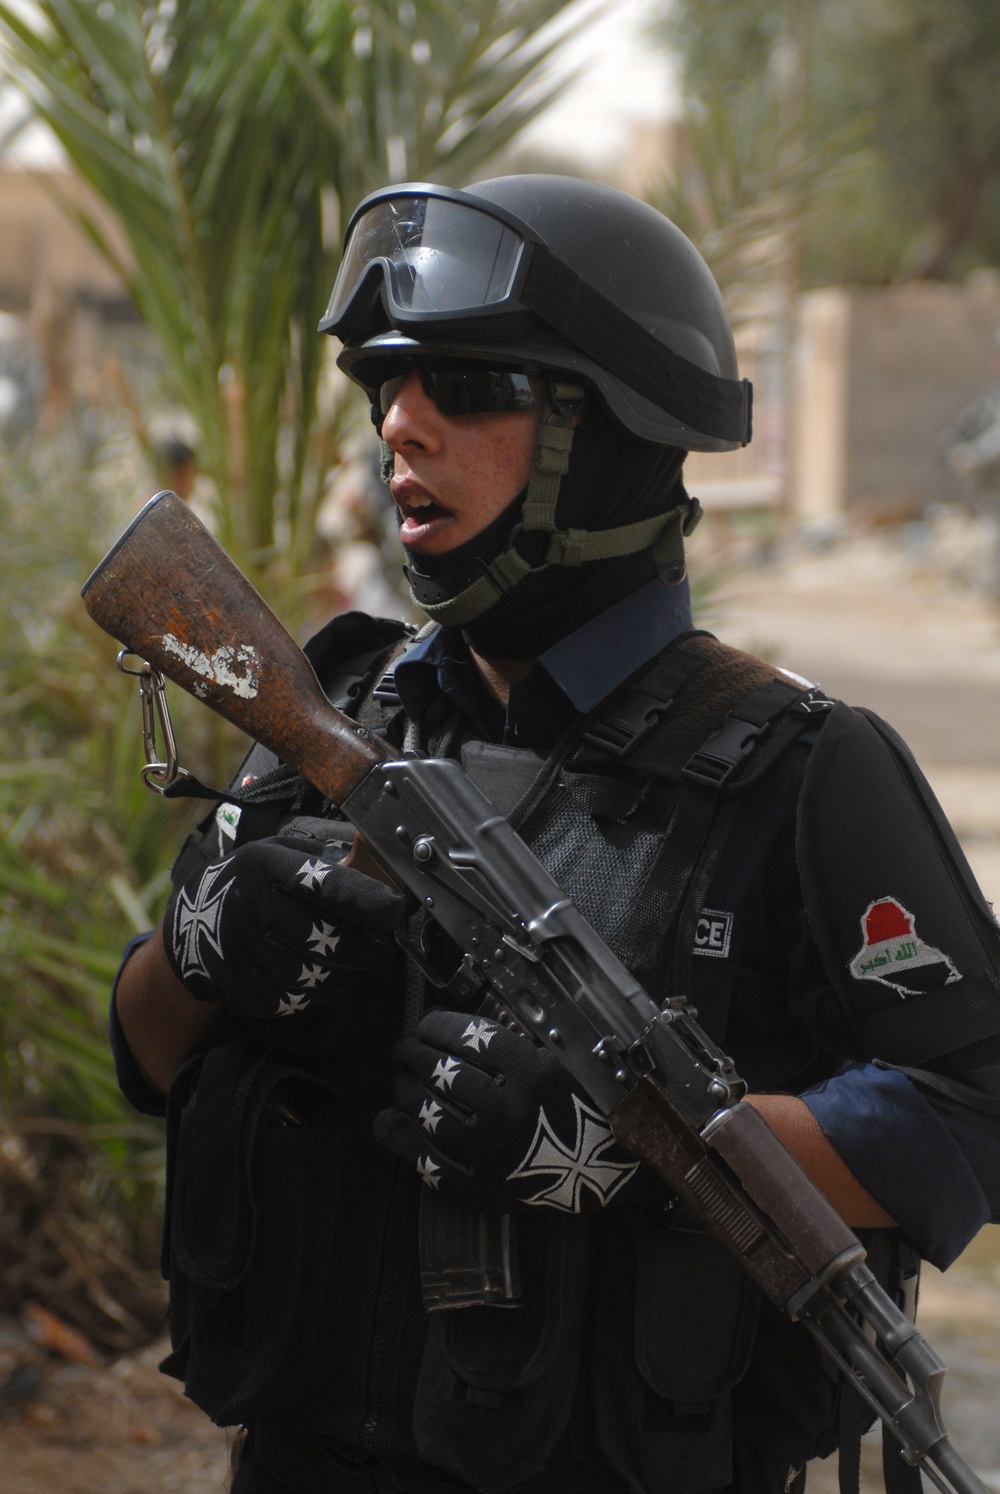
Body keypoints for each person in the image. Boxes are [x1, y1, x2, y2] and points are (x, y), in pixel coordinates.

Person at [110, 176, 1000, 1494]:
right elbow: (146, 1053)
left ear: (619, 430)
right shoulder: (338, 712)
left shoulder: (801, 770)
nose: (402, 424)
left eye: (470, 384)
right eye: (388, 386)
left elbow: (965, 1118)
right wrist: (203, 939)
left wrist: (627, 1142)